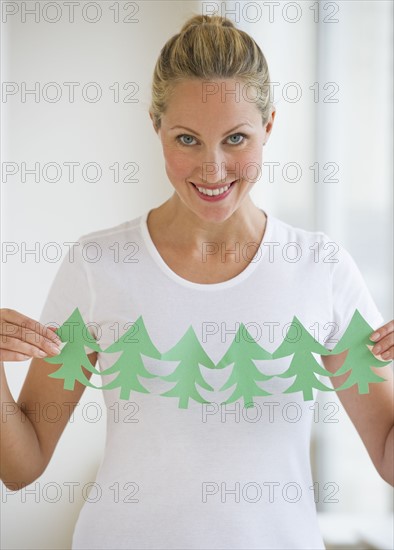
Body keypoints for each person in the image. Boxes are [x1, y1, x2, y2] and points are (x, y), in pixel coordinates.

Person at [1, 13, 393, 550]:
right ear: (155, 126)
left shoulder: (320, 269)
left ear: (270, 126)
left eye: (236, 138)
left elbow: (389, 459)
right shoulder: (98, 265)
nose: (212, 168)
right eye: (186, 139)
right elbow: (22, 466)